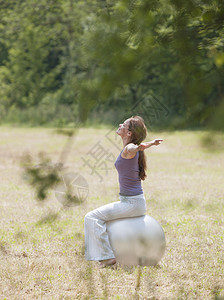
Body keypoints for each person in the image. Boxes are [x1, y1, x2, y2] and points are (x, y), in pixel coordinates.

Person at [84, 116, 163, 267]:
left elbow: (133, 148)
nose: (120, 124)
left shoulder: (129, 149)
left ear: (129, 133)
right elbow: (135, 147)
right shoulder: (130, 148)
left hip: (132, 204)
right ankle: (112, 253)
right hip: (133, 202)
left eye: (124, 124)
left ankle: (107, 258)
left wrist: (143, 146)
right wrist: (144, 145)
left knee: (91, 217)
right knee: (101, 219)